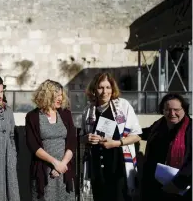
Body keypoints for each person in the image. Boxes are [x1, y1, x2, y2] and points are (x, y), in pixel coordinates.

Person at [80, 72, 142, 201]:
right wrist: (86, 138)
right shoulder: (88, 110)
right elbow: (81, 137)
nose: (104, 91)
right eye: (100, 87)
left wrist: (116, 143)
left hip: (118, 165)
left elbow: (136, 135)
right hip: (97, 167)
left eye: (108, 87)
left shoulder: (123, 106)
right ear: (94, 89)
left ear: (113, 89)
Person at [25, 79, 76, 201]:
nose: (60, 98)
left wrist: (62, 164)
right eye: (56, 95)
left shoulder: (66, 114)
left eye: (61, 95)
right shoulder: (32, 116)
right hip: (44, 172)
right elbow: (33, 145)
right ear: (47, 95)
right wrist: (55, 163)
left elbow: (72, 142)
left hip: (64, 170)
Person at [141, 93, 192, 201]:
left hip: (179, 187)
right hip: (154, 185)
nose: (172, 113)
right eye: (168, 110)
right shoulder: (159, 125)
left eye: (176, 109)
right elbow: (144, 133)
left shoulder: (190, 129)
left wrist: (178, 183)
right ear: (163, 110)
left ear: (184, 109)